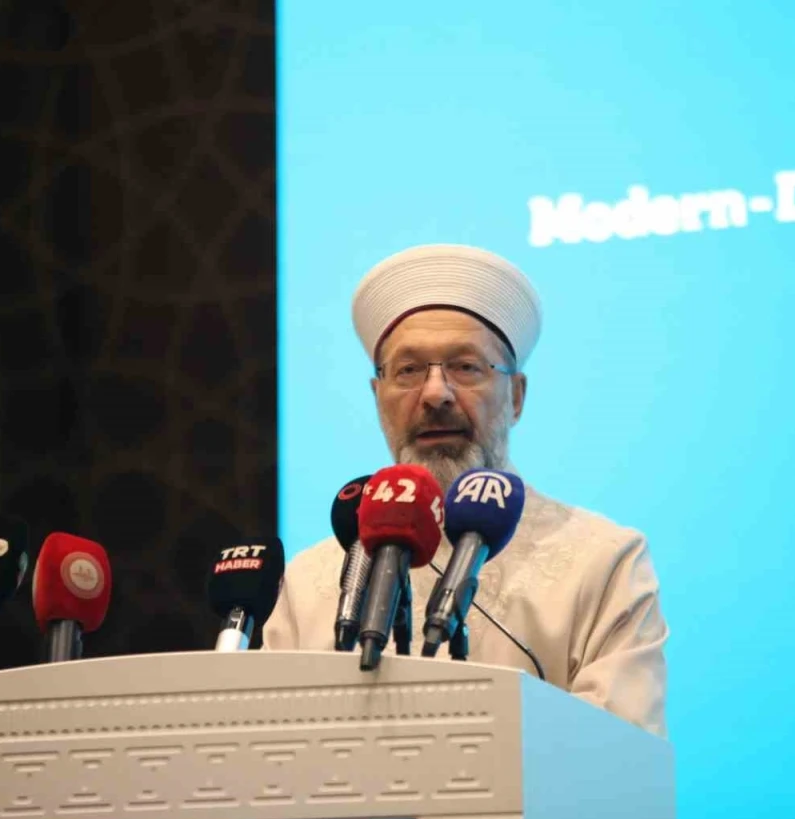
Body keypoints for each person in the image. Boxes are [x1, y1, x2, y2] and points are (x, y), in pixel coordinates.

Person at [262, 243, 669, 737]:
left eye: (466, 367)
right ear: (377, 398)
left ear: (516, 397)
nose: (436, 394)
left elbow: (620, 757)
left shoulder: (603, 562)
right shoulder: (309, 582)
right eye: (408, 371)